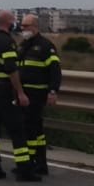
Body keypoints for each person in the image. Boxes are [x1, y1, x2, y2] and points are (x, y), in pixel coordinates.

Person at [0, 10, 37, 182]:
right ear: (8, 22)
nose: (16, 24)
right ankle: (24, 171)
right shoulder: (8, 42)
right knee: (17, 129)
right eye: (14, 20)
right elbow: (11, 70)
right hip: (4, 90)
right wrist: (20, 92)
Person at [17, 13, 61, 177]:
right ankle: (34, 163)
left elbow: (55, 71)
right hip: (23, 93)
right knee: (31, 129)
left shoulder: (45, 46)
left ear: (35, 27)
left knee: (32, 129)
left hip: (37, 94)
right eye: (22, 25)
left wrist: (52, 91)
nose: (23, 28)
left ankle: (34, 163)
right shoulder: (23, 45)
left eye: (26, 26)